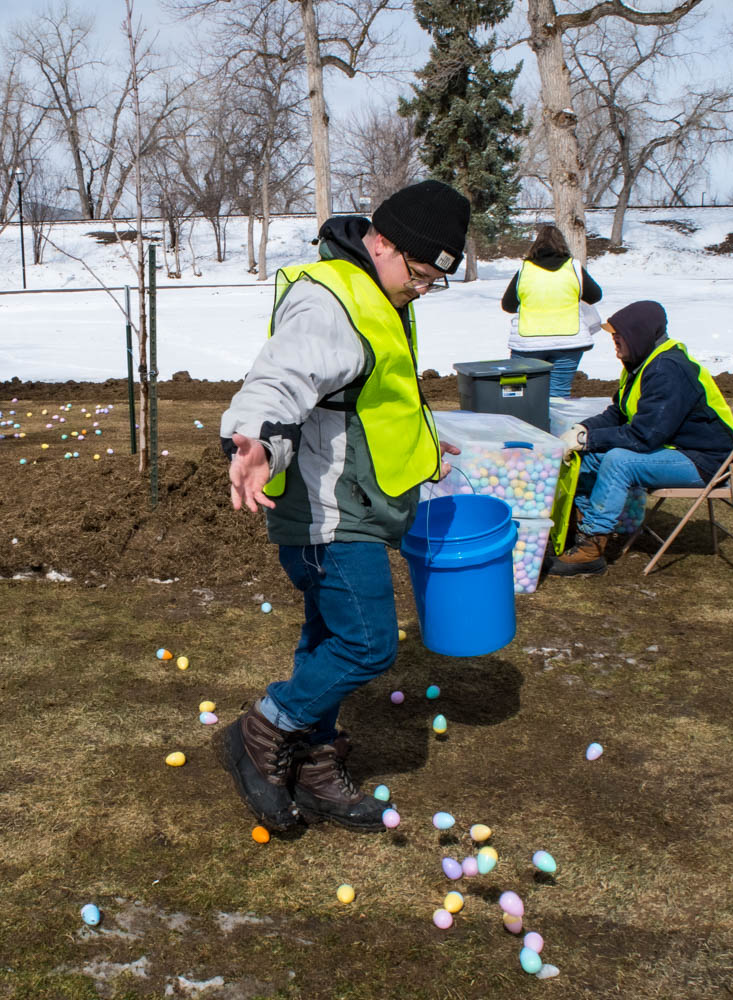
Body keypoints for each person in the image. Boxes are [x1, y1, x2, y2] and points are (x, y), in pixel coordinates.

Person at [218, 180, 471, 833]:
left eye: (433, 280)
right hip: (327, 516)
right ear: (382, 243)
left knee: (328, 637)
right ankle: (264, 729)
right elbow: (282, 376)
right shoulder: (331, 298)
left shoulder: (380, 291)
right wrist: (258, 442)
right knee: (366, 644)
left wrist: (425, 448)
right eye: (419, 272)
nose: (421, 287)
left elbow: (373, 398)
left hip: (351, 505)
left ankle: (315, 766)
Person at [547, 300, 733, 577]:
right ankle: (577, 527)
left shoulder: (668, 370)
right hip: (675, 449)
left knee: (618, 461)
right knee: (586, 459)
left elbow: (644, 436)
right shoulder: (641, 363)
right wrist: (582, 430)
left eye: (619, 334)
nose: (613, 340)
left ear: (640, 333)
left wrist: (587, 439)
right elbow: (619, 413)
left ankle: (591, 547)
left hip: (706, 460)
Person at [501, 224, 603, 396]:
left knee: (515, 392)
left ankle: (517, 420)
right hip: (569, 342)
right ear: (563, 245)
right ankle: (554, 422)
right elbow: (595, 296)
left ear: (535, 246)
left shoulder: (525, 269)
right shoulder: (574, 268)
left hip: (527, 342)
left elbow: (508, 305)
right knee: (558, 395)